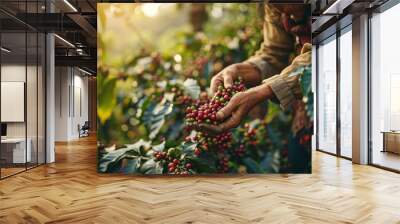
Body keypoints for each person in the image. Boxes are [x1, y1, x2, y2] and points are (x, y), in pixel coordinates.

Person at [198, 3, 312, 135]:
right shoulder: (273, 5)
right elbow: (274, 53)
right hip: (304, 114)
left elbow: (330, 57)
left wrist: (263, 91)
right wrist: (240, 70)